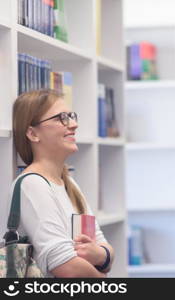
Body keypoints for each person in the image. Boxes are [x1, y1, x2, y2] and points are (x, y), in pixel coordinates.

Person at [9, 89, 114, 278]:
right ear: (33, 133)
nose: (74, 124)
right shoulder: (33, 184)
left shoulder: (70, 184)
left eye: (71, 116)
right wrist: (102, 279)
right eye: (61, 118)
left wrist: (100, 254)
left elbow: (102, 245)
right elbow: (67, 268)